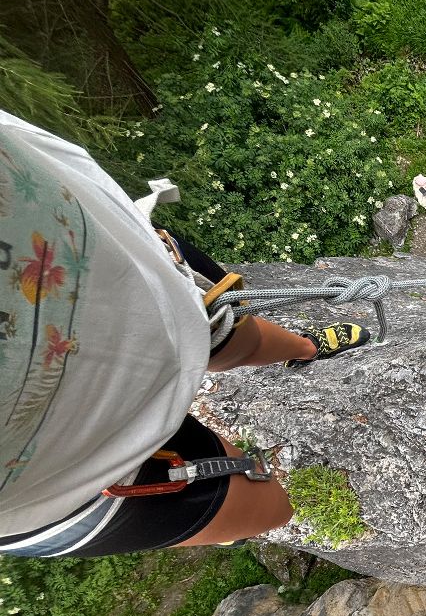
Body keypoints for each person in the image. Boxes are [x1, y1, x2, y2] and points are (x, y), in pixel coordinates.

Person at [0, 110, 370, 558]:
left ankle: (304, 348)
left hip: (111, 250)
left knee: (240, 339)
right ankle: (261, 432)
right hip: (47, 482)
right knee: (270, 508)